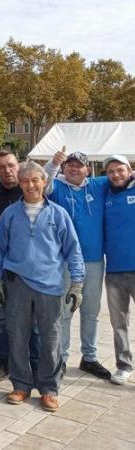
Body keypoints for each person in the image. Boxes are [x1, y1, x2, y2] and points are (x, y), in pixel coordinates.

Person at [0, 161, 84, 413]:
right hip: (17, 284)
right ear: (19, 183)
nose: (30, 185)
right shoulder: (10, 214)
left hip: (51, 286)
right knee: (17, 336)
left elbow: (74, 250)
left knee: (50, 339)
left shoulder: (58, 214)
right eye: (25, 181)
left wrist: (76, 284)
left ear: (44, 182)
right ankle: (20, 384)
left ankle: (49, 389)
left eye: (35, 180)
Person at [44, 150, 111, 380]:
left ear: (87, 169)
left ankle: (89, 357)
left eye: (79, 165)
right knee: (64, 311)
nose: (74, 169)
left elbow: (123, 175)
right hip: (64, 261)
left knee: (91, 311)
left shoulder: (98, 185)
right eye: (70, 165)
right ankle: (60, 358)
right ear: (64, 168)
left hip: (93, 260)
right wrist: (53, 164)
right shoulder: (57, 188)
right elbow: (42, 182)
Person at [0, 151, 40, 382]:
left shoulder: (31, 193)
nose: (7, 170)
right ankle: (2, 361)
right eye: (2, 167)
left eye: (11, 165)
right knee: (1, 319)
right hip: (3, 269)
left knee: (34, 322)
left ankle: (34, 365)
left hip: (31, 269)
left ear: (18, 166)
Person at [102, 155, 135, 385]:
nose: (116, 175)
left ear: (129, 170)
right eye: (111, 171)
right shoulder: (105, 194)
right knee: (118, 322)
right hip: (114, 270)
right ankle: (124, 365)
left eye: (120, 170)